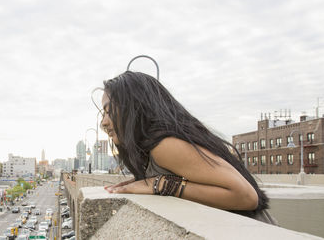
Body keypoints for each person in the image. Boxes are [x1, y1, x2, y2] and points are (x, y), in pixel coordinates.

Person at [101, 71, 277, 225]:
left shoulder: (165, 145)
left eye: (109, 111)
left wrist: (161, 184)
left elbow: (246, 197)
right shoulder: (153, 150)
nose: (103, 123)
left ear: (134, 107)